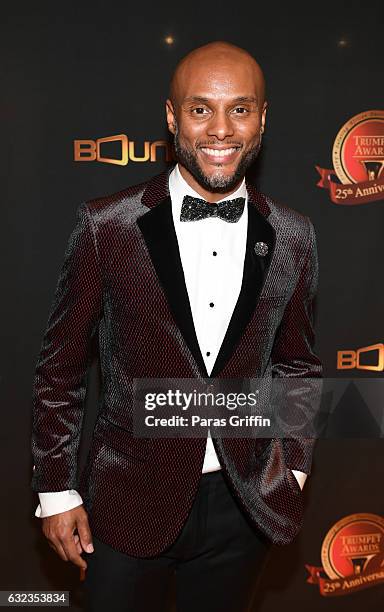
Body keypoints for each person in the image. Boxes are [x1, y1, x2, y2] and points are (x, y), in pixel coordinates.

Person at [31, 40, 322, 611]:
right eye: (200, 109)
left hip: (246, 503)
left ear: (262, 117)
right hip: (128, 503)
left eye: (239, 109)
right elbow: (60, 369)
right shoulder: (106, 226)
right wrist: (55, 489)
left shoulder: (294, 234)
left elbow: (298, 363)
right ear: (172, 117)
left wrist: (296, 469)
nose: (220, 129)